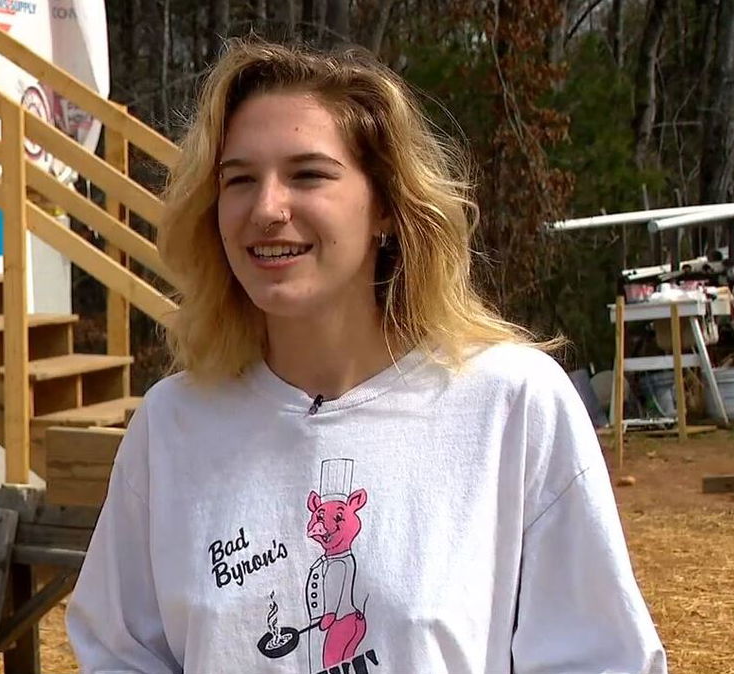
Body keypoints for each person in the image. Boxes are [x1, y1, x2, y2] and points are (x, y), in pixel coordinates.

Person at [65, 38, 666, 674]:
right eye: (239, 179)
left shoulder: (510, 405)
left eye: (308, 174)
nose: (267, 208)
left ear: (383, 205)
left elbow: (600, 658)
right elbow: (120, 651)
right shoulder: (173, 424)